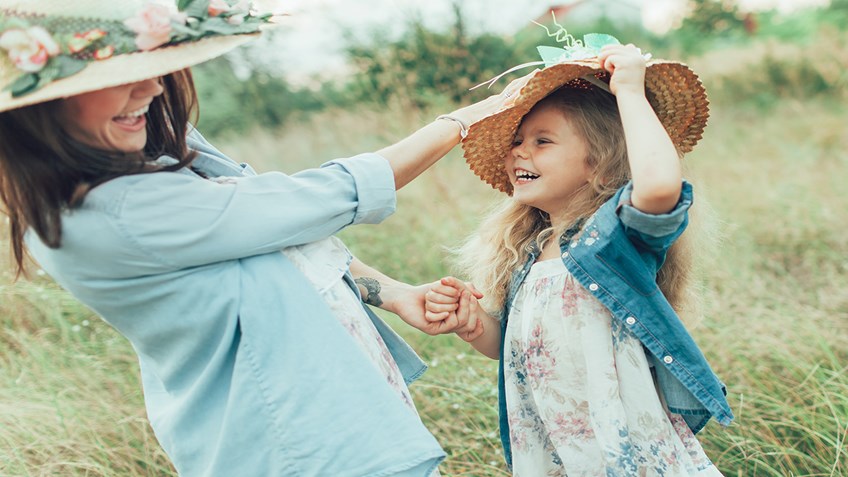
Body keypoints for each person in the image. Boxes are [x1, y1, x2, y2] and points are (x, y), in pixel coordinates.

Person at [0, 1, 530, 476]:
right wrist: (464, 119)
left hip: (327, 407)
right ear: (42, 104)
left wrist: (388, 293)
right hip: (294, 440)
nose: (152, 88)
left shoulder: (143, 158)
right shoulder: (110, 211)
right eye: (116, 76)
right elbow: (311, 201)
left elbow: (271, 237)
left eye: (153, 68)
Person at [424, 41, 734, 475]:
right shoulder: (528, 256)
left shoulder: (614, 241)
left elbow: (661, 187)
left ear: (603, 166)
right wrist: (471, 323)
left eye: (542, 141)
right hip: (556, 450)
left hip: (626, 444)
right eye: (516, 141)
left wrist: (629, 91)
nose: (517, 152)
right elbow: (513, 347)